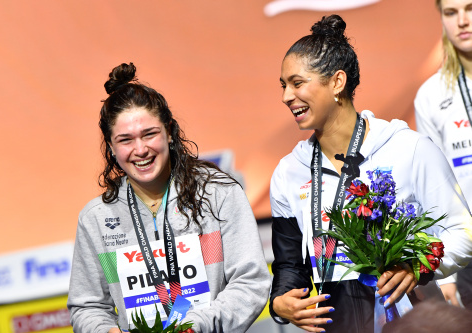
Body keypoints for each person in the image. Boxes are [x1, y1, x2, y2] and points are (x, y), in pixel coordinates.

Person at [270, 14, 472, 333]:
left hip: (414, 322)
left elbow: (464, 231)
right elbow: (289, 267)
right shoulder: (287, 173)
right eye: (283, 86)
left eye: (297, 83)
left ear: (337, 82)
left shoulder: (409, 149)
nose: (286, 96)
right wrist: (281, 302)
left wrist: (418, 265)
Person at [67, 63, 271, 333]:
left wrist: (195, 326)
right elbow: (87, 307)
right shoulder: (96, 218)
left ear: (170, 132)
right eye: (126, 140)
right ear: (112, 147)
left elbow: (250, 282)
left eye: (149, 134)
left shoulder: (219, 193)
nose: (140, 149)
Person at [414, 0, 472, 309]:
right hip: (469, 254)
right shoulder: (431, 95)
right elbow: (432, 187)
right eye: (451, 12)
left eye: (470, 8)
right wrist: (444, 276)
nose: (462, 20)